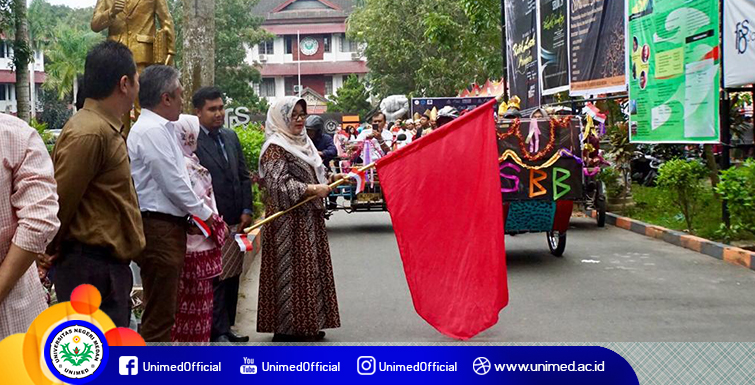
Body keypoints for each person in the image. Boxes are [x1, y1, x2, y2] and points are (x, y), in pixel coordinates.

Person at [49, 41, 144, 328]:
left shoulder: (103, 127)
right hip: (90, 272)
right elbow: (60, 203)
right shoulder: (90, 132)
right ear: (124, 83)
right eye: (137, 79)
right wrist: (47, 253)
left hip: (102, 270)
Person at [128, 65, 215, 342]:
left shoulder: (161, 129)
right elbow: (174, 183)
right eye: (179, 95)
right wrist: (205, 214)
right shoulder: (151, 131)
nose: (182, 101)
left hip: (168, 226)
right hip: (158, 228)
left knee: (165, 307)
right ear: (166, 98)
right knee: (161, 312)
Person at [258, 97, 342, 342]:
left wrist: (332, 178)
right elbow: (277, 185)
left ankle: (308, 325)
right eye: (293, 115)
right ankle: (285, 328)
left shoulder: (304, 143)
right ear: (280, 117)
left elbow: (317, 172)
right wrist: (312, 189)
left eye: (302, 114)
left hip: (308, 218)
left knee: (310, 271)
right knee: (289, 273)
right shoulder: (275, 146)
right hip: (286, 221)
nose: (299, 120)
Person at [192, 87, 253, 343]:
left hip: (235, 219)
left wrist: (247, 209)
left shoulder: (230, 136)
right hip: (210, 222)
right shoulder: (192, 141)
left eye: (220, 108)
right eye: (212, 109)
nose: (219, 113)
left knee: (232, 274)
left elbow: (243, 176)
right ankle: (216, 331)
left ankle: (228, 326)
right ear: (198, 112)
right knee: (215, 277)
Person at [0, 115, 60, 340]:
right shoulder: (15, 134)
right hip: (13, 312)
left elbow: (39, 220)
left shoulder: (15, 136)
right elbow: (39, 220)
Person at [171, 115, 226, 343]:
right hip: (195, 249)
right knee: (193, 315)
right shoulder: (183, 166)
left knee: (197, 313)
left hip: (199, 248)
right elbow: (194, 206)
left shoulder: (187, 161)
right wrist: (213, 223)